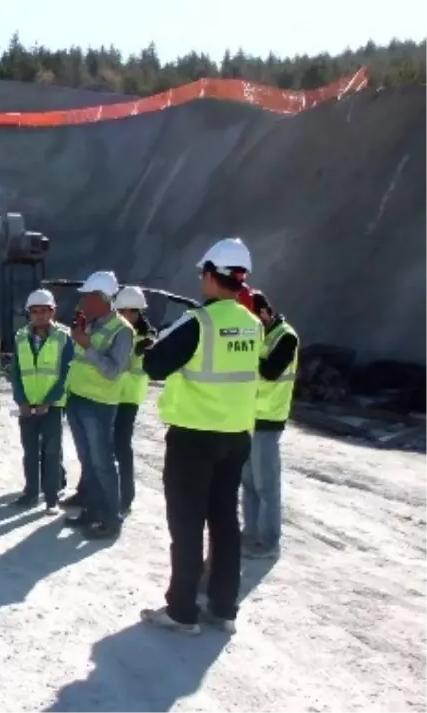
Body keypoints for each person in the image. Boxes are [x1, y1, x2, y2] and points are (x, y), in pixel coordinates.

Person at [139, 237, 261, 635]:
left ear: (211, 276)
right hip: (236, 436)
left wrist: (153, 342)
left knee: (187, 524)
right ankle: (224, 608)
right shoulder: (254, 325)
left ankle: (182, 610)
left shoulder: (199, 322)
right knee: (225, 522)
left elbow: (154, 365)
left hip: (194, 437)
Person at [63, 271, 134, 541]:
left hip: (99, 405)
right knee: (88, 461)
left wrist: (87, 346)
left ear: (103, 299)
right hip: (78, 399)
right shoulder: (91, 324)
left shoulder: (122, 330)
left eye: (88, 297)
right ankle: (91, 511)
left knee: (103, 462)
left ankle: (110, 518)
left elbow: (113, 370)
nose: (83, 303)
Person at [242, 289, 298, 559]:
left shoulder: (286, 337)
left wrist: (246, 351)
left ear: (264, 313)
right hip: (247, 419)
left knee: (266, 485)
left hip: (268, 419)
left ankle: (268, 542)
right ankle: (250, 533)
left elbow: (270, 371)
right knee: (249, 483)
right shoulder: (261, 334)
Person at [9, 289, 74, 512]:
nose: (39, 316)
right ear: (29, 313)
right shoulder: (20, 337)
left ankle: (51, 498)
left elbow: (67, 372)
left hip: (52, 407)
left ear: (52, 311)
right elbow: (16, 372)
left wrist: (50, 400)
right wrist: (21, 401)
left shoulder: (64, 337)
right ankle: (30, 493)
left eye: (44, 311)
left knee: (51, 452)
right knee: (30, 452)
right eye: (34, 311)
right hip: (28, 406)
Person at [112, 285, 156, 518]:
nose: (120, 315)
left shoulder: (146, 337)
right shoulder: (121, 331)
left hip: (128, 398)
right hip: (111, 395)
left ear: (135, 311)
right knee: (105, 447)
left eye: (124, 311)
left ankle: (125, 496)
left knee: (121, 447)